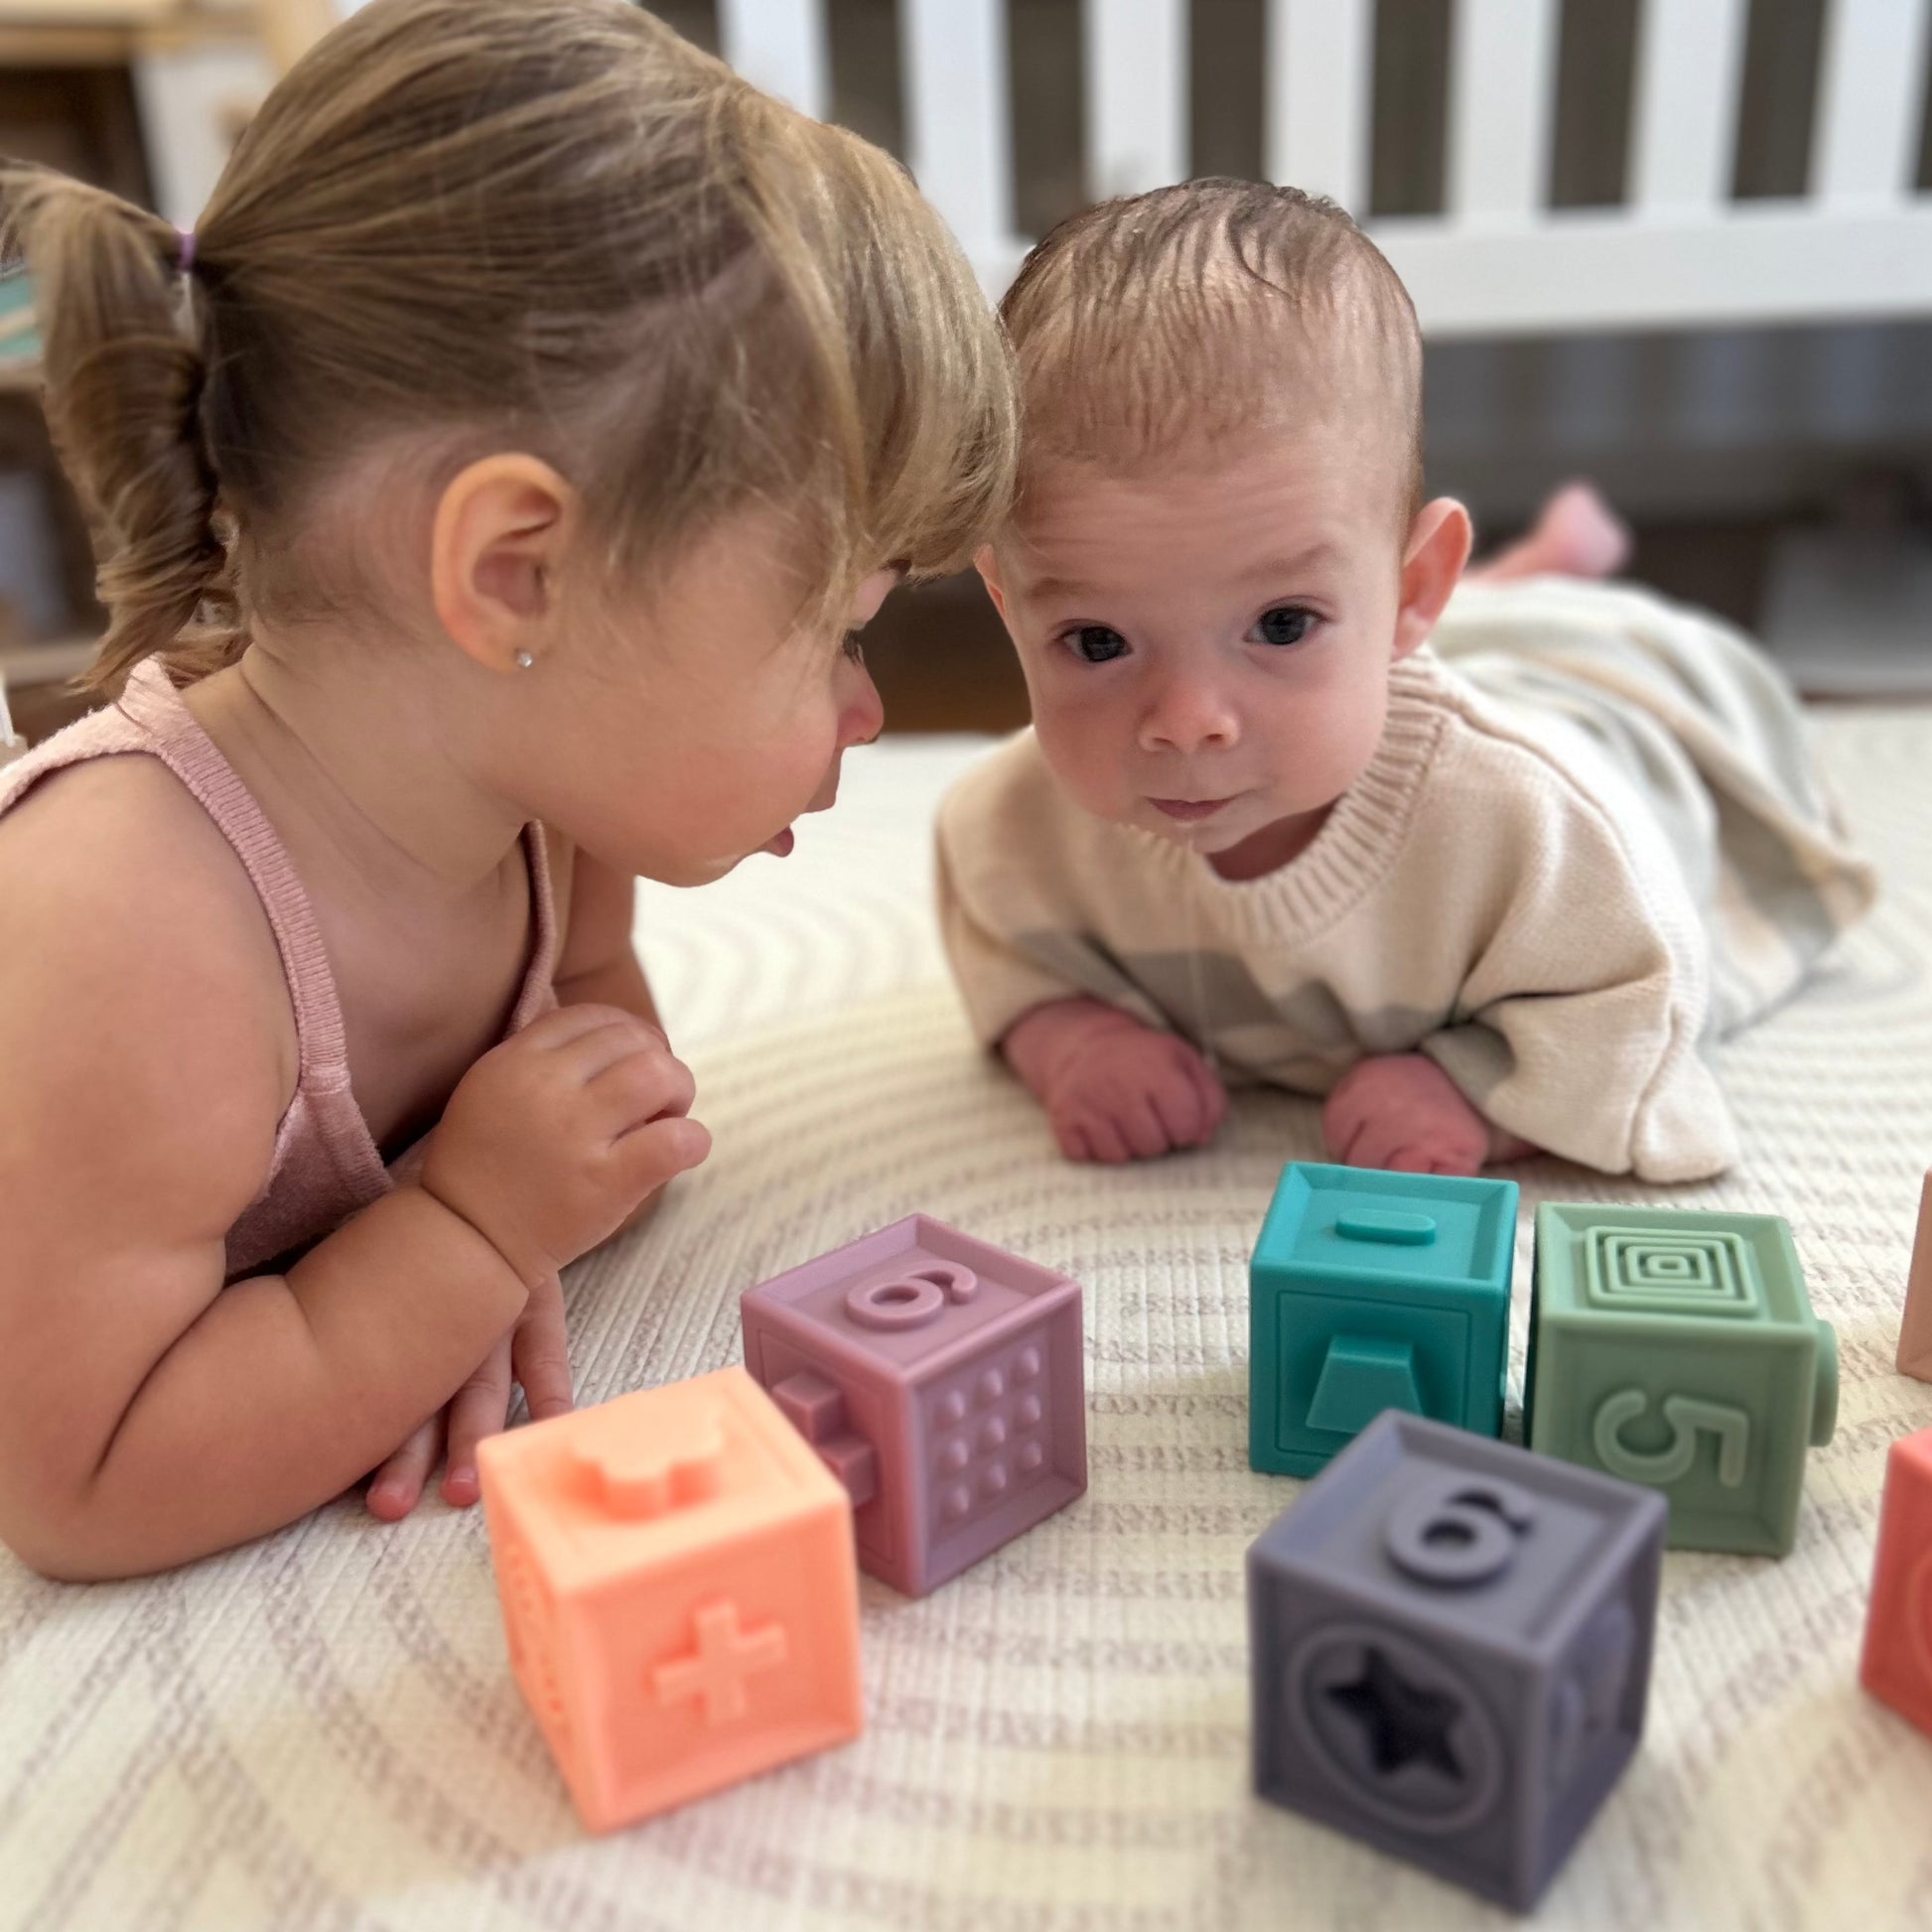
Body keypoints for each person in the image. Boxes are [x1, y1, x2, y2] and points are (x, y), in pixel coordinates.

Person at [0, 0, 1014, 1579]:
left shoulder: (548, 812)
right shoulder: (132, 931)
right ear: (515, 575)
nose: (869, 711)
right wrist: (461, 1241)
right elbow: (79, 1480)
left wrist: (414, 1271)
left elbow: (606, 1075)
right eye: (840, 629)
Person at [937, 180, 1872, 1182]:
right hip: (1403, 627)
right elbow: (1003, 945)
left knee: (1549, 648)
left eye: (1279, 623)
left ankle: (1532, 580)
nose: (1185, 723)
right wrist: (1068, 1038)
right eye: (1094, 641)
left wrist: (1477, 1085)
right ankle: (1501, 575)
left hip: (1606, 693)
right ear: (1007, 604)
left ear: (1412, 583)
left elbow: (1644, 996)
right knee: (1383, 636)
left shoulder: (1536, 830)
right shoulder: (1013, 831)